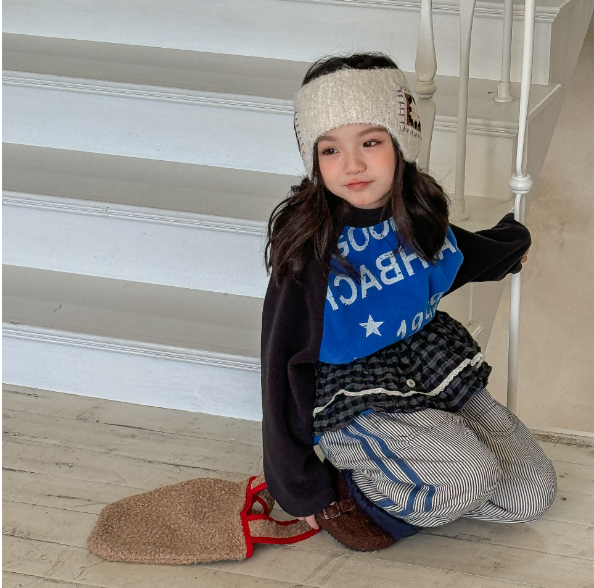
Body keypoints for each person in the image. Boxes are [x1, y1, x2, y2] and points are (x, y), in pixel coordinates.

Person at [260, 52, 557, 535]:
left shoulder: (415, 216)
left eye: (370, 142)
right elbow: (280, 364)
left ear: (402, 142)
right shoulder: (310, 249)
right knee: (468, 477)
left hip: (428, 367)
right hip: (355, 393)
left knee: (532, 494)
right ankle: (355, 499)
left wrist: (510, 246)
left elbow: (457, 257)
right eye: (330, 150)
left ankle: (438, 461)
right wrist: (298, 485)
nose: (352, 164)